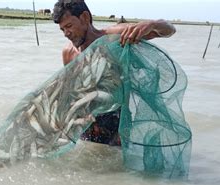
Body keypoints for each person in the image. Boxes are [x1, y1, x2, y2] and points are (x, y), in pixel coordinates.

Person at [53, 0, 176, 146]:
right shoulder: (68, 53)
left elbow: (169, 30)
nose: (66, 34)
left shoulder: (115, 37)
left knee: (116, 163)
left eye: (69, 26)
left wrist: (152, 25)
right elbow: (70, 91)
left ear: (85, 18)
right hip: (85, 123)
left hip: (116, 122)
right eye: (62, 30)